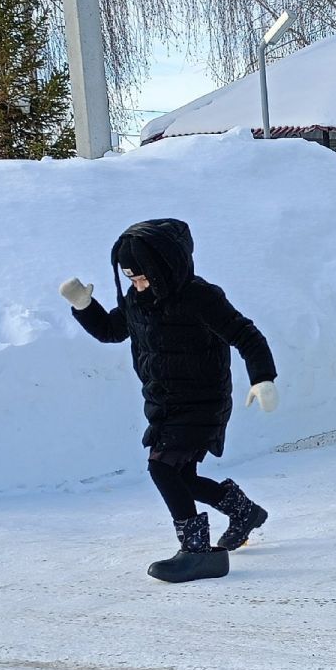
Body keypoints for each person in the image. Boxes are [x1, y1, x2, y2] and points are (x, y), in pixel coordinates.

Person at [60, 219, 277, 584]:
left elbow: (246, 335)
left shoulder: (200, 297)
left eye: (144, 278)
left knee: (161, 468)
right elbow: (113, 331)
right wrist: (85, 306)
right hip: (164, 403)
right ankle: (245, 513)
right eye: (131, 279)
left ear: (167, 267)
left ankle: (197, 553)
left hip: (203, 401)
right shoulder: (137, 300)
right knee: (181, 478)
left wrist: (262, 378)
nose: (139, 286)